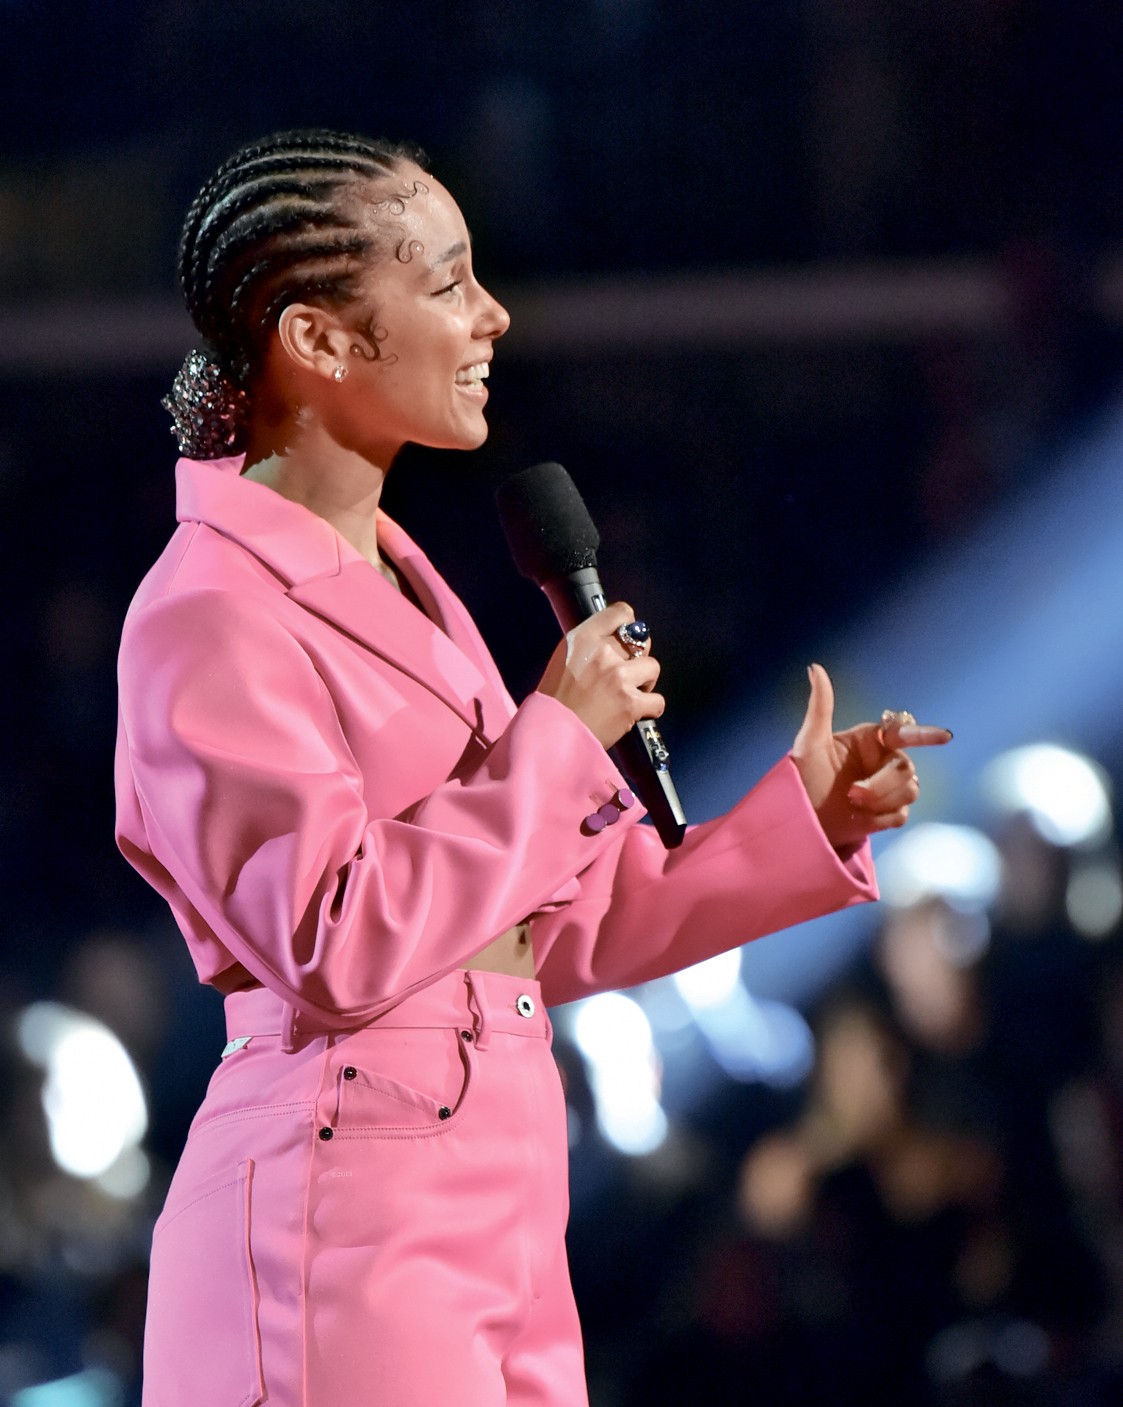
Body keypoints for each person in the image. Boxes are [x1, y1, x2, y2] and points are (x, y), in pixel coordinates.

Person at [114, 129, 952, 1407]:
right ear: (318, 339)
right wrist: (555, 733)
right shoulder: (210, 609)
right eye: (447, 282)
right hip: (337, 1205)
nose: (494, 314)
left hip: (497, 1189)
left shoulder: (406, 586)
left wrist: (803, 821)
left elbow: (553, 921)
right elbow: (332, 934)